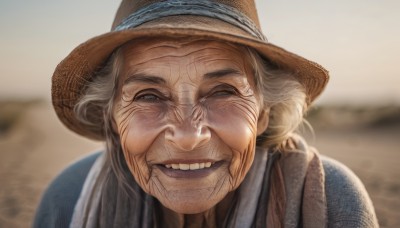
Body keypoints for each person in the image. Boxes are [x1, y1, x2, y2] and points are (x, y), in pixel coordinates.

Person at [34, 0, 379, 227]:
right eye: (149, 95)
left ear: (262, 112)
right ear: (113, 116)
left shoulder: (333, 201)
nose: (187, 136)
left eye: (223, 92)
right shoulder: (68, 197)